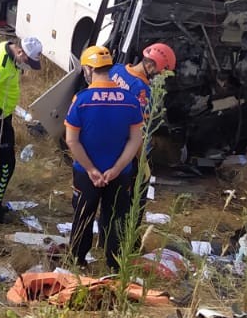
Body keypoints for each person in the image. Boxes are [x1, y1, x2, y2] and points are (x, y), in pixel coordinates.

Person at [65, 45, 146, 271]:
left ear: (89, 70)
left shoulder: (81, 100)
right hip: (119, 174)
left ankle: (78, 261)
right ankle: (114, 264)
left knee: (83, 216)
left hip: (86, 173)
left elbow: (72, 140)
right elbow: (135, 139)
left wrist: (91, 169)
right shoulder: (130, 100)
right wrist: (118, 168)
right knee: (116, 217)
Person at [0, 35, 43, 224]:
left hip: (2, 115)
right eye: (27, 62)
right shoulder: (1, 66)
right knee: (5, 165)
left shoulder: (8, 47)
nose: (27, 67)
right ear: (20, 52)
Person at [110, 42, 176, 118]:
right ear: (149, 66)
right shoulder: (143, 92)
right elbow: (140, 124)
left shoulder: (116, 68)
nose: (160, 76)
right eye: (159, 73)